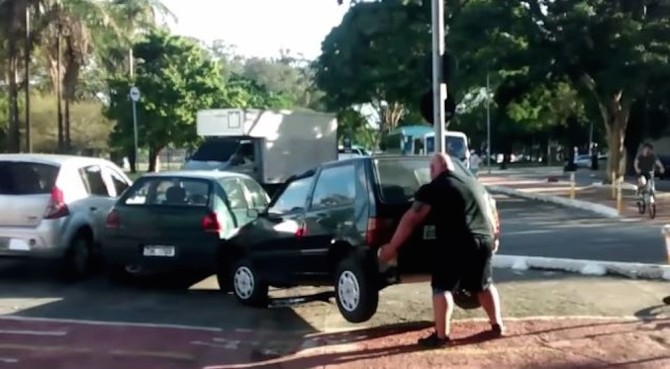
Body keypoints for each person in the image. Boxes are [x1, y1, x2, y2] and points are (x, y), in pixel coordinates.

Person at [378, 153, 505, 348]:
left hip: (458, 242)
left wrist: (392, 247)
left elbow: (412, 218)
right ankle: (497, 325)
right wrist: (495, 238)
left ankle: (441, 336)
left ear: (432, 170)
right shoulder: (474, 183)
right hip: (484, 239)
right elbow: (492, 213)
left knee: (442, 287)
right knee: (484, 285)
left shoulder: (434, 188)